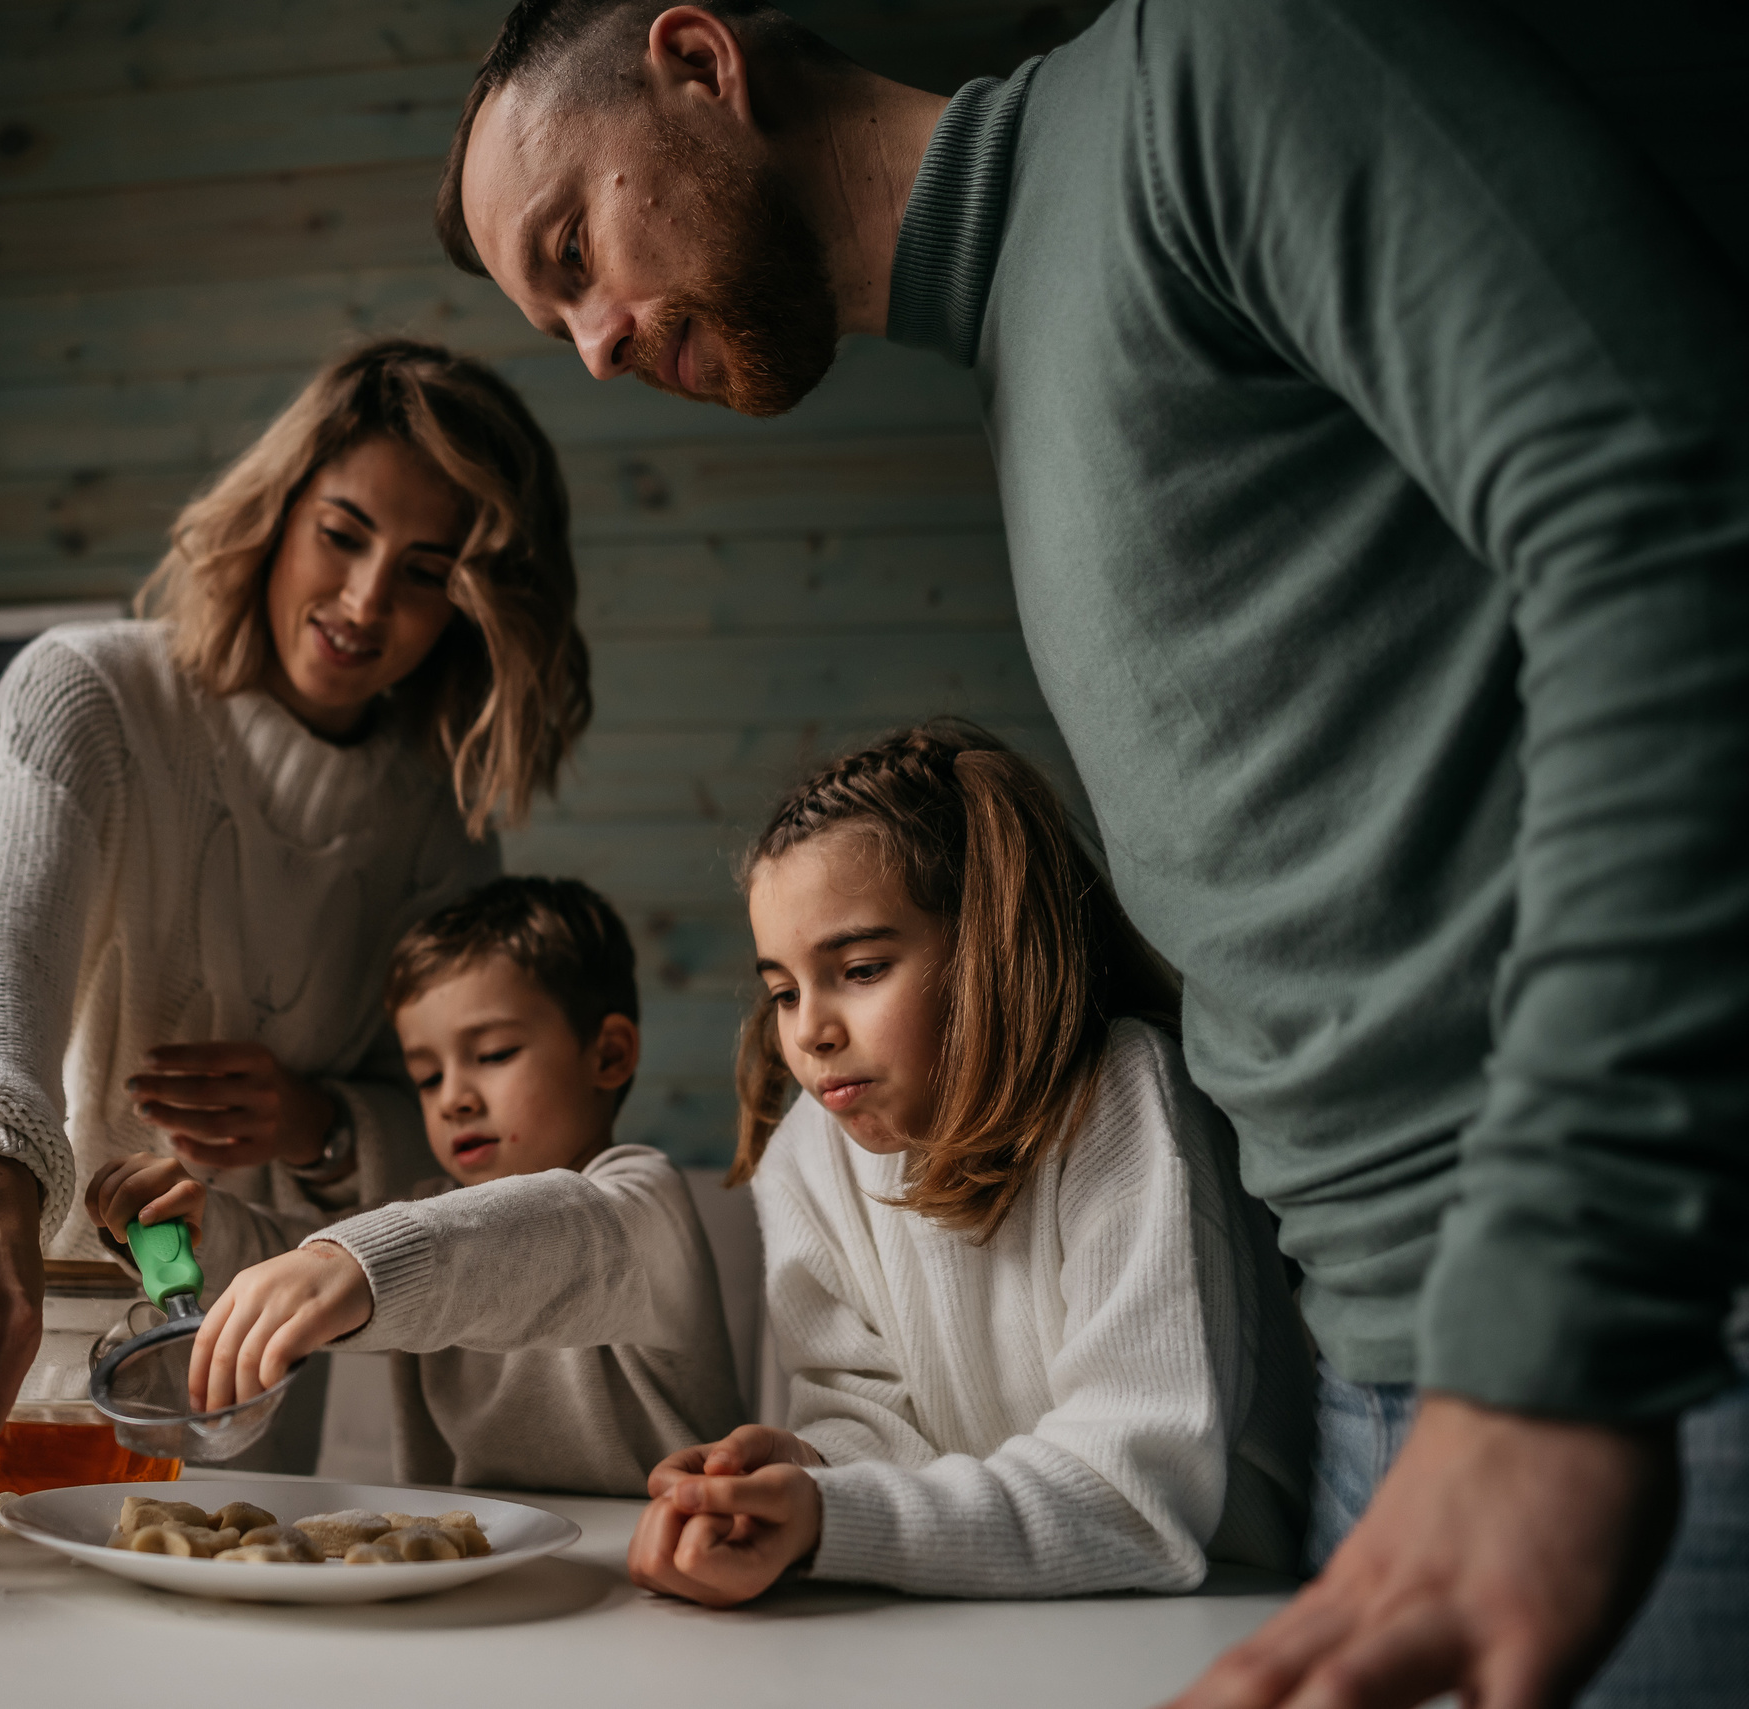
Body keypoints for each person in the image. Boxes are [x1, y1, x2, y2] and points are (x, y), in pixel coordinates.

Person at [437, 3, 1749, 1705]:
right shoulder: (1025, 356)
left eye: (573, 251)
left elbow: (1676, 532)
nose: (597, 345)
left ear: (699, 61)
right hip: (1390, 1367)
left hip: (1639, 1326)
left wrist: (1566, 1314)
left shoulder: (1216, 74)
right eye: (554, 322)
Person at [0, 340, 593, 1516]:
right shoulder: (84, 695)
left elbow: (464, 1135)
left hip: (239, 1369)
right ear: (277, 511)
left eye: (425, 571)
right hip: (4, 1318)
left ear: (472, 603)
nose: (365, 602)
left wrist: (320, 1125)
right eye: (342, 534)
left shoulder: (440, 828)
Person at [627, 722, 1311, 1604]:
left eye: (861, 968)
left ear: (990, 944)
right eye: (784, 991)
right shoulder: (804, 1154)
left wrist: (831, 1517)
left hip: (1221, 1610)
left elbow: (1135, 1496)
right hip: (990, 1614)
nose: (810, 1031)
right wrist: (804, 1469)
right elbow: (882, 1435)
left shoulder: (1123, 1099)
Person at [87, 875, 745, 1495]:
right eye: (427, 1077)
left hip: (658, 1559)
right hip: (485, 1560)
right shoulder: (430, 1207)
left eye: (493, 1054)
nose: (454, 1097)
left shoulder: (643, 1202)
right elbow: (289, 1258)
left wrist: (350, 1264)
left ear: (609, 1054)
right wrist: (203, 1234)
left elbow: (524, 1239)